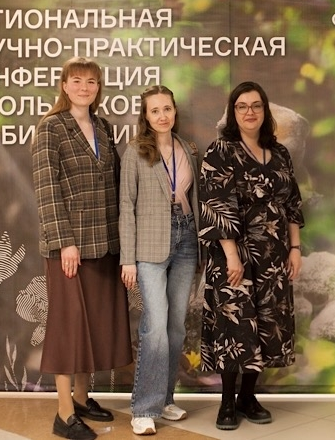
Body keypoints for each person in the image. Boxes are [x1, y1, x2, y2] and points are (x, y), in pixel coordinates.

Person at [32, 56, 132, 440]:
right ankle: (63, 415)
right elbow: (47, 189)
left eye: (91, 81)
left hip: (105, 243)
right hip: (70, 248)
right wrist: (65, 243)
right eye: (76, 80)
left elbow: (115, 184)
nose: (84, 87)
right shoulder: (50, 127)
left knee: (91, 326)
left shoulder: (104, 127)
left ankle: (81, 398)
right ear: (64, 85)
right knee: (68, 329)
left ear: (98, 87)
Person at [198, 81, 304, 430]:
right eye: (242, 106)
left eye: (256, 105)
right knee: (235, 324)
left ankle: (247, 397)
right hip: (234, 254)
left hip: (273, 256)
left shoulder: (280, 153)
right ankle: (227, 403)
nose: (250, 112)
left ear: (265, 111)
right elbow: (216, 205)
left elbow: (292, 204)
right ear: (233, 112)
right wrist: (231, 255)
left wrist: (295, 248)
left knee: (267, 324)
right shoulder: (220, 151)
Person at [119, 85, 201, 436]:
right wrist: (128, 259)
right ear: (146, 116)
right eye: (155, 111)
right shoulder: (135, 152)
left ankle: (165, 399)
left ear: (174, 111)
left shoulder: (187, 149)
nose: (162, 116)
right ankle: (144, 408)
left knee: (176, 326)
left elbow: (195, 197)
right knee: (155, 325)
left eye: (167, 108)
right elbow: (126, 206)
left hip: (186, 239)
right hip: (150, 246)